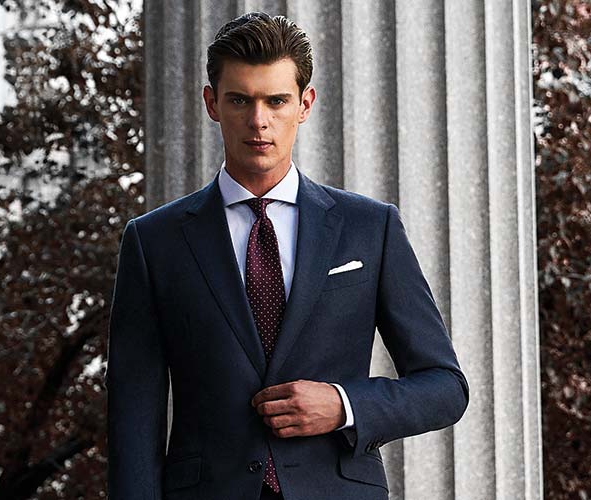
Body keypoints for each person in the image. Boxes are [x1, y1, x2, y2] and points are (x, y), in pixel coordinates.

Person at [106, 12, 469, 500]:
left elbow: (444, 388)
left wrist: (343, 405)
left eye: (277, 101)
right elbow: (134, 417)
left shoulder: (370, 227)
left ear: (305, 104)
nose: (259, 121)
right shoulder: (155, 242)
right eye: (240, 100)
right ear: (212, 103)